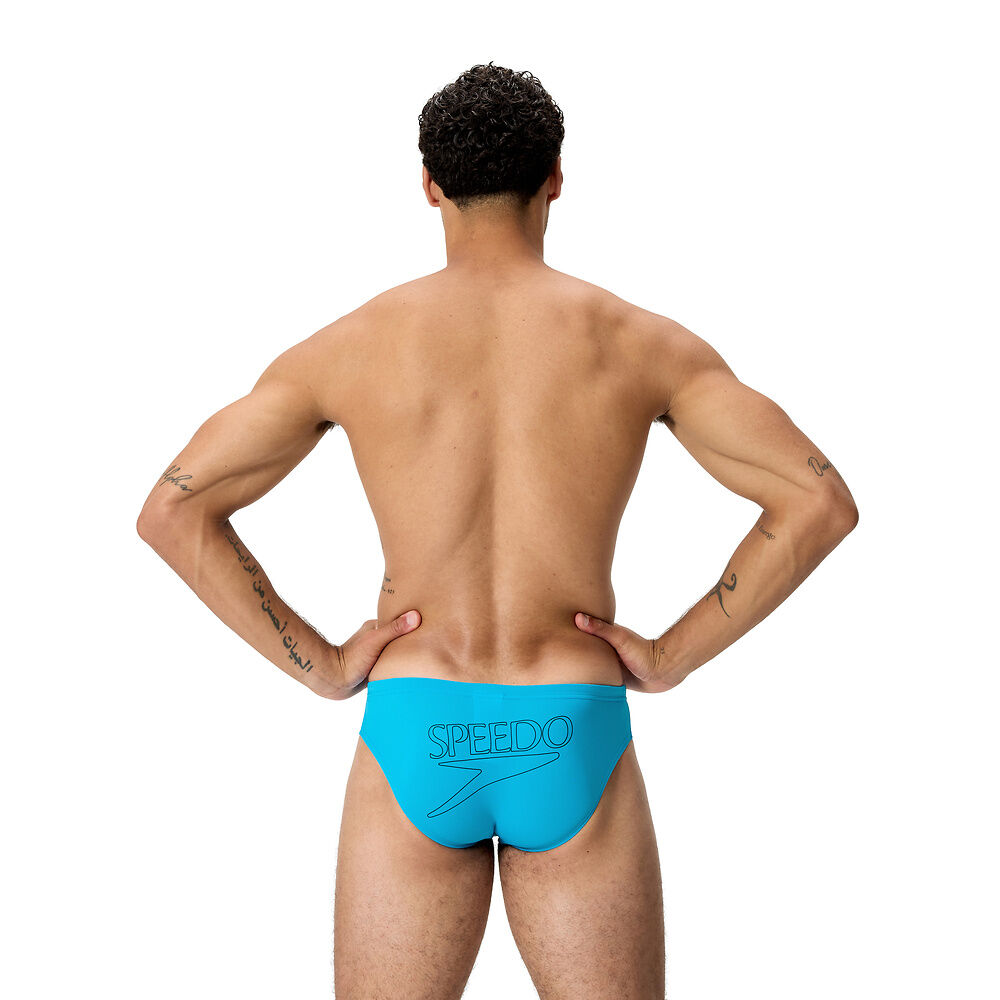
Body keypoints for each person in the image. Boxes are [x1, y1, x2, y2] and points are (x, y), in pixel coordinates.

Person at [136, 61, 859, 999]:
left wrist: (320, 664)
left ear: (428, 185)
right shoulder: (639, 343)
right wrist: (671, 656)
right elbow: (817, 500)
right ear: (555, 176)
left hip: (416, 722)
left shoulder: (349, 347)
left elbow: (174, 507)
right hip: (571, 721)